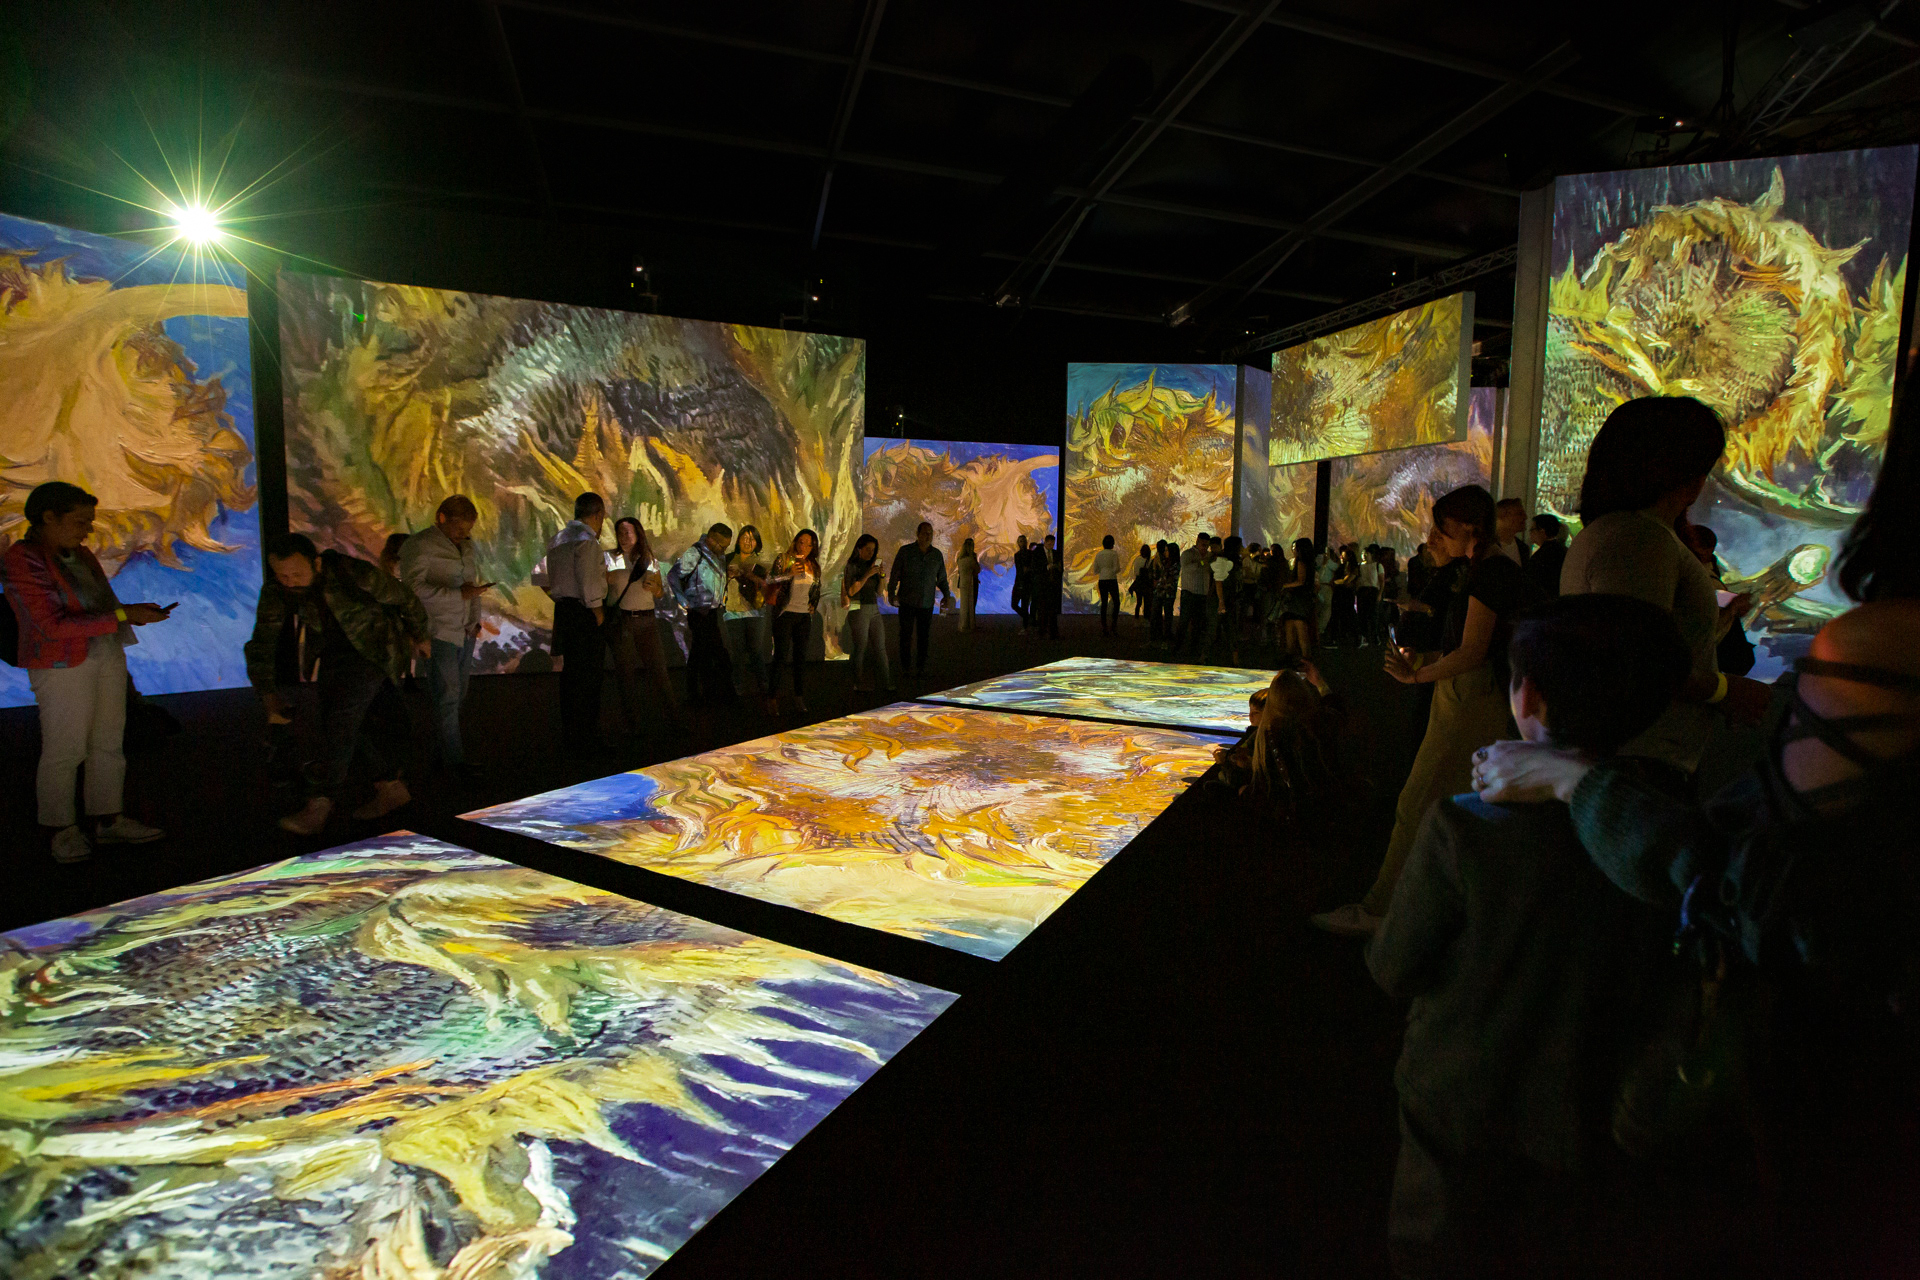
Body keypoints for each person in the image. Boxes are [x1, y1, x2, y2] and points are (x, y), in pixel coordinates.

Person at [1472, 380, 1920, 1277]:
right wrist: (1719, 688)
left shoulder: (1633, 539)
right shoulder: (1637, 540)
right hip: (1646, 768)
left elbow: (1762, 883)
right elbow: (1625, 659)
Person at [1368, 593, 1690, 1278]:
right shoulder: (1673, 829)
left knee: (1438, 1245)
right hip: (1592, 1095)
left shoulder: (1463, 826)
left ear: (1528, 697)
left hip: (1457, 1092)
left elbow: (1393, 966)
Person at [1315, 485, 1533, 937]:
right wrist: (1428, 660)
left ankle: (1381, 910)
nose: (1433, 538)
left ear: (1469, 529)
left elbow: (1472, 653)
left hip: (1469, 699)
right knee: (1464, 802)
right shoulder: (1487, 569)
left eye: (1441, 529)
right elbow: (1474, 648)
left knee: (1417, 801)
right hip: (1474, 693)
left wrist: (1416, 676)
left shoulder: (1488, 573)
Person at [1561, 396, 1769, 782]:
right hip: (1639, 760)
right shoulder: (1639, 538)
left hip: (1638, 755)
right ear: (1683, 472)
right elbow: (1636, 662)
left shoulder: (1626, 532)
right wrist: (1725, 691)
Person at [2, 482, 172, 863]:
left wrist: (131, 613)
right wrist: (125, 614)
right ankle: (60, 830)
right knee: (65, 749)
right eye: (81, 521)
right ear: (49, 517)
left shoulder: (79, 553)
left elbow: (99, 606)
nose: (89, 530)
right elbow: (50, 625)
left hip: (105, 652)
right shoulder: (22, 558)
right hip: (61, 663)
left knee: (108, 741)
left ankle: (107, 819)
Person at [246, 532, 431, 835]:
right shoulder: (278, 589)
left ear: (316, 564)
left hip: (375, 650)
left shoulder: (353, 572)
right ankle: (390, 788)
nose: (290, 581)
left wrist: (421, 636)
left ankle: (320, 801)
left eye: (297, 573)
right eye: (283, 575)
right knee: (352, 722)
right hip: (333, 655)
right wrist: (268, 694)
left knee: (340, 723)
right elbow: (262, 643)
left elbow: (404, 598)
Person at [400, 495, 489, 778]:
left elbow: (471, 585)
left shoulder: (466, 546)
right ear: (441, 518)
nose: (464, 534)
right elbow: (411, 588)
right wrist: (457, 595)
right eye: (459, 528)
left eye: (468, 529)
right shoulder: (420, 545)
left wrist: (474, 619)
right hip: (437, 629)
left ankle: (442, 756)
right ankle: (454, 762)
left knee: (457, 695)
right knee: (448, 696)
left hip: (464, 629)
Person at [540, 492, 612, 751]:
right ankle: (587, 737)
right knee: (589, 676)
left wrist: (561, 597)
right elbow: (588, 579)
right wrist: (597, 611)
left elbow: (542, 577)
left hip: (565, 610)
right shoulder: (587, 541)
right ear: (598, 514)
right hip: (584, 613)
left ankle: (571, 734)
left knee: (571, 676)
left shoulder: (558, 539)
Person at [604, 516, 679, 737]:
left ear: (638, 534)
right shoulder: (610, 558)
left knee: (659, 671)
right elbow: (603, 584)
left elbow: (660, 592)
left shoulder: (648, 559)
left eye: (628, 532)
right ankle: (631, 724)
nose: (624, 537)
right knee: (626, 674)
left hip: (647, 620)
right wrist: (611, 578)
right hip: (623, 621)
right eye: (620, 532)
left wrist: (655, 588)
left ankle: (673, 719)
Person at [669, 522, 736, 708]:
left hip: (712, 610)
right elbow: (673, 575)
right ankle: (707, 695)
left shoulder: (718, 555)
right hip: (698, 611)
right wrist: (683, 600)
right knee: (708, 653)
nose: (724, 549)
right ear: (711, 539)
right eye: (722, 545)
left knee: (700, 652)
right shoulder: (695, 553)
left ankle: (698, 694)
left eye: (726, 546)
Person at [888, 520, 953, 677]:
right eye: (925, 533)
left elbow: (942, 578)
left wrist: (947, 595)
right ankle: (905, 666)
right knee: (905, 635)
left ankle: (921, 667)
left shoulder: (936, 555)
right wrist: (891, 593)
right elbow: (895, 574)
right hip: (907, 601)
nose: (928, 536)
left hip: (926, 603)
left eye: (930, 533)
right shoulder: (905, 552)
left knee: (924, 636)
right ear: (917, 534)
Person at [722, 525, 775, 714]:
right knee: (736, 652)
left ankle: (763, 685)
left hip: (755, 611)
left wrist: (747, 574)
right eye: (744, 537)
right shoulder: (727, 559)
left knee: (755, 650)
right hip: (732, 610)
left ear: (757, 543)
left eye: (752, 539)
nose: (748, 541)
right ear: (738, 540)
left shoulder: (761, 562)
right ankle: (737, 687)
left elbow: (767, 584)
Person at [842, 534, 893, 692]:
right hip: (858, 607)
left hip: (873, 607)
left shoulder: (872, 566)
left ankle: (886, 682)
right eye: (868, 549)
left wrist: (881, 576)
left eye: (873, 550)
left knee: (880, 646)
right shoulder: (852, 566)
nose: (871, 553)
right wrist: (867, 575)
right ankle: (857, 682)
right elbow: (851, 591)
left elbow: (879, 592)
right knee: (860, 646)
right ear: (859, 549)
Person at [1175, 533, 1213, 657]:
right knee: (1184, 621)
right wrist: (1202, 562)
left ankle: (1193, 649)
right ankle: (1177, 647)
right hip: (1189, 593)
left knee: (1198, 623)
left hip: (1202, 594)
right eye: (1203, 545)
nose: (1205, 548)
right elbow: (1187, 568)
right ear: (1197, 542)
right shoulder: (1187, 554)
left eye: (1207, 545)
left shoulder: (1209, 556)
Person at [1279, 538, 1317, 657]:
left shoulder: (1301, 562)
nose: (1293, 550)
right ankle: (1300, 657)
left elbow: (1300, 581)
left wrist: (1284, 586)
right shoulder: (1310, 563)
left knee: (1299, 631)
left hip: (1298, 599)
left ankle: (1301, 658)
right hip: (1301, 599)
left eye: (1295, 548)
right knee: (1295, 629)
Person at [1210, 535, 1243, 662]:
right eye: (1240, 546)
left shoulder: (1232, 561)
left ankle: (1232, 658)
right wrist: (1221, 601)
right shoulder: (1224, 561)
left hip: (1229, 598)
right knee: (1219, 628)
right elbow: (1218, 581)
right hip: (1223, 599)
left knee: (1227, 628)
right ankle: (1207, 656)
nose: (1242, 548)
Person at [1525, 513, 1567, 599]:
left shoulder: (1540, 557)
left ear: (1542, 531)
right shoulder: (1564, 550)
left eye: (1532, 529)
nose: (1530, 533)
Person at [1032, 533, 1063, 639]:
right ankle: (1042, 631)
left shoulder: (1056, 553)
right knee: (1042, 609)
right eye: (1049, 544)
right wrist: (1046, 567)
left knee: (1053, 610)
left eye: (1052, 544)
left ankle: (1053, 632)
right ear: (1045, 542)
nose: (1051, 546)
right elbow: (1035, 568)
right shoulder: (1037, 553)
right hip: (1042, 585)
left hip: (1053, 585)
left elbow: (1060, 568)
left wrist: (1057, 569)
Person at [1150, 540, 1180, 648]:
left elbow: (1168, 577)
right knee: (1157, 614)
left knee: (1167, 615)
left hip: (1167, 593)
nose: (1164, 552)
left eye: (1167, 550)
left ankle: (1166, 636)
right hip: (1161, 592)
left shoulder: (1174, 564)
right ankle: (1158, 636)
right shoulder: (1164, 561)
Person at [1093, 534, 1122, 636]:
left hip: (1102, 580)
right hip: (1112, 579)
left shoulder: (1099, 554)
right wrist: (1112, 571)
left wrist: (1103, 571)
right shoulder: (1114, 554)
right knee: (1116, 602)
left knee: (1104, 603)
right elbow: (1117, 568)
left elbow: (1095, 570)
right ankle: (1113, 625)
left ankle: (1104, 626)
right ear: (1112, 544)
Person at [1357, 545, 1384, 646]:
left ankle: (1375, 636)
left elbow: (1381, 581)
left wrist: (1380, 593)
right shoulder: (1360, 566)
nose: (1364, 555)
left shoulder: (1377, 566)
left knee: (1373, 615)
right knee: (1362, 615)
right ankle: (1364, 637)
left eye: (1366, 553)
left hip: (1373, 591)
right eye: (1363, 553)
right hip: (1362, 591)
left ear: (1371, 554)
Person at [1492, 497, 1530, 567]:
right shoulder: (1486, 546)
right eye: (1519, 514)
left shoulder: (1523, 548)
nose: (1525, 517)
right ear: (1503, 515)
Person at [955, 536, 980, 633]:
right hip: (971, 582)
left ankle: (963, 624)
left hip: (963, 583)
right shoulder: (971, 559)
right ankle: (969, 625)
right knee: (971, 604)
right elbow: (977, 569)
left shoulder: (960, 559)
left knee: (964, 604)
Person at [1010, 533, 1032, 630]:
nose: (1022, 543)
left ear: (1026, 542)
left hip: (1027, 582)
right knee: (1014, 604)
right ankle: (1029, 619)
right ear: (1018, 543)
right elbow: (1020, 569)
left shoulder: (1031, 554)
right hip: (1019, 582)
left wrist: (1028, 569)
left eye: (1023, 541)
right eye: (1020, 541)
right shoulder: (1017, 555)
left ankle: (1025, 626)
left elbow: (1030, 568)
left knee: (1024, 605)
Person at [1129, 543, 1152, 619]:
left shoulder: (1137, 559)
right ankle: (1146, 617)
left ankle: (1136, 617)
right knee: (1147, 602)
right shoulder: (1150, 560)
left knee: (1139, 602)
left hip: (1138, 583)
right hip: (1146, 584)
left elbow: (1135, 572)